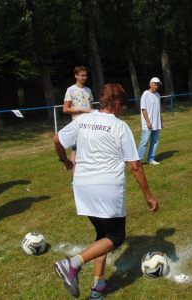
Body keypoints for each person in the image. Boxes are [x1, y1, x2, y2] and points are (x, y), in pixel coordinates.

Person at [53, 83, 159, 299]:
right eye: (123, 107)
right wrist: (148, 196)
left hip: (82, 187)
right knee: (117, 236)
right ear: (117, 104)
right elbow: (135, 165)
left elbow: (57, 140)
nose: (122, 111)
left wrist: (64, 160)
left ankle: (98, 287)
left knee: (102, 235)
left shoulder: (83, 119)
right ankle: (72, 264)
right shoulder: (119, 126)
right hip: (107, 188)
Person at [63, 66, 94, 171]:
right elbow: (65, 109)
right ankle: (74, 178)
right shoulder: (70, 90)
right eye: (82, 75)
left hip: (89, 125)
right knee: (75, 151)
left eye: (85, 75)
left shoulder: (88, 90)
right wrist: (81, 111)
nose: (84, 78)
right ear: (76, 76)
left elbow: (91, 107)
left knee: (89, 150)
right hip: (77, 124)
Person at [137, 77, 164, 165]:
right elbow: (143, 109)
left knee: (155, 141)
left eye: (158, 85)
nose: (156, 86)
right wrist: (148, 122)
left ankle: (150, 159)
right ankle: (138, 161)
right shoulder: (145, 94)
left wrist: (161, 121)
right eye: (155, 84)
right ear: (150, 84)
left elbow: (158, 110)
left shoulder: (158, 95)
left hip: (156, 123)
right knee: (144, 142)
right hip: (148, 124)